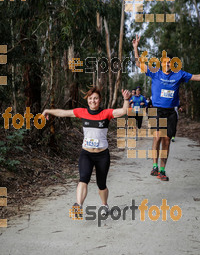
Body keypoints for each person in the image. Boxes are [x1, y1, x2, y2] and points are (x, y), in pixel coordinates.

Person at [42, 87, 131, 217]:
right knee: (83, 179)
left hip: (102, 155)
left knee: (102, 184)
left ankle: (104, 204)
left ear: (99, 100)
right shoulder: (82, 112)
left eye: (95, 98)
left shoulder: (106, 113)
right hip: (87, 154)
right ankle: (78, 205)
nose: (93, 101)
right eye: (90, 99)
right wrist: (47, 110)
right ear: (87, 100)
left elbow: (123, 111)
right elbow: (64, 112)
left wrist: (126, 99)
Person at [132, 35, 200, 181]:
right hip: (157, 110)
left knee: (167, 140)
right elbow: (138, 64)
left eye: (169, 62)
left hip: (171, 112)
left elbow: (195, 77)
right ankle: (154, 166)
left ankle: (162, 170)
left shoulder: (179, 74)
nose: (167, 64)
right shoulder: (155, 72)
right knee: (157, 136)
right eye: (165, 62)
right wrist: (135, 47)